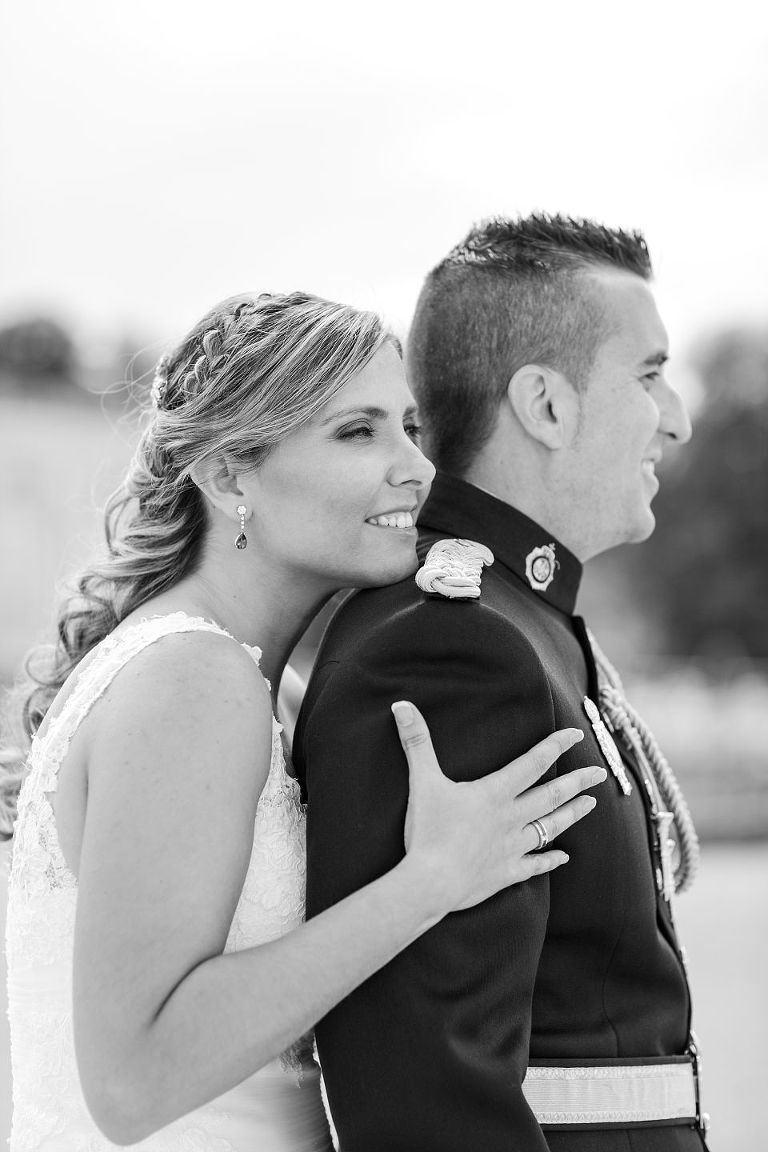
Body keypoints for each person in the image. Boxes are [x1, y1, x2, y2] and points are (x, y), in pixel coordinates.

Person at [1, 291, 603, 1152]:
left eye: (410, 428)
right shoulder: (194, 681)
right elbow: (134, 1083)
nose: (416, 469)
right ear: (228, 473)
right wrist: (429, 881)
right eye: (357, 432)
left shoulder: (234, 679)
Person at [295, 216, 711, 1151]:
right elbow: (423, 1088)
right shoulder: (456, 644)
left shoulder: (517, 622)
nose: (677, 416)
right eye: (649, 375)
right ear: (546, 406)